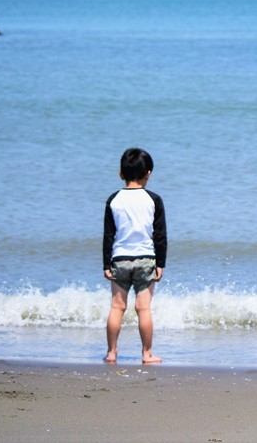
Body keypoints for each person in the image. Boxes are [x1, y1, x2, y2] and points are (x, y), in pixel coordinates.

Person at [102, 147, 168, 364]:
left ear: (121, 173)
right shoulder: (153, 199)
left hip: (120, 258)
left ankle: (112, 352)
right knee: (143, 308)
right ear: (148, 173)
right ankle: (147, 353)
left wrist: (106, 263)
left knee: (117, 307)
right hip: (146, 258)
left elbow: (108, 235)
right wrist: (161, 263)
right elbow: (160, 235)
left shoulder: (114, 199)